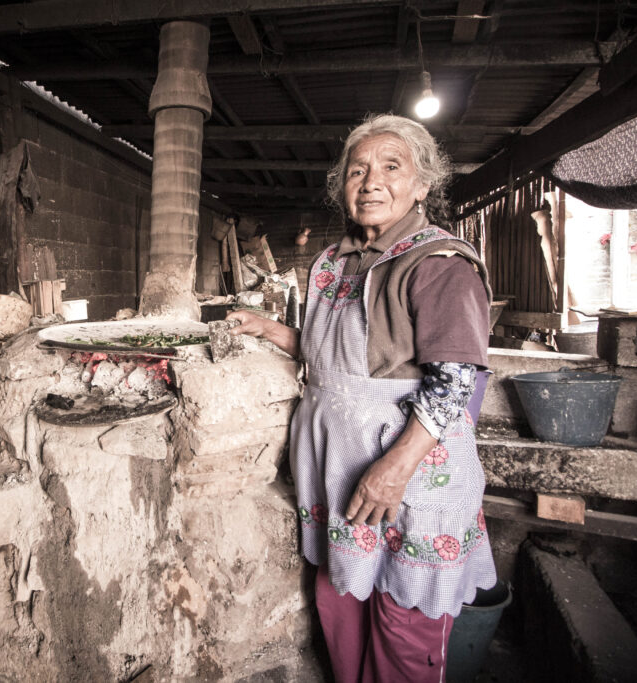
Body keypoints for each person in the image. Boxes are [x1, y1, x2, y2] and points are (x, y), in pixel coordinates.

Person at [228, 114, 496, 682]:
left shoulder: (438, 264)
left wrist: (394, 470)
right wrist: (277, 333)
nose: (371, 181)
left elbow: (454, 382)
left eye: (391, 168)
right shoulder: (335, 261)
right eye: (358, 170)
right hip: (340, 471)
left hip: (409, 474)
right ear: (342, 186)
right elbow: (344, 360)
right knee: (339, 608)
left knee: (403, 625)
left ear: (422, 185)